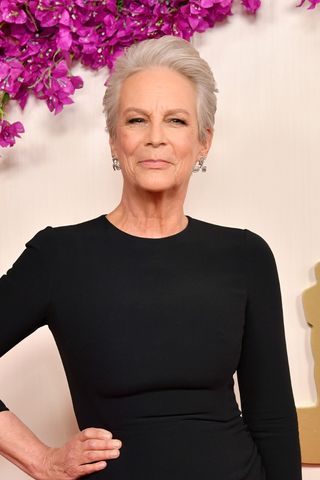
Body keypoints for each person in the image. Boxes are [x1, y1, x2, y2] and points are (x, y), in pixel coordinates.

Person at [0, 35, 301, 480]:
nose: (156, 138)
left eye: (176, 121)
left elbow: (272, 416)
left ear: (203, 142)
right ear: (113, 139)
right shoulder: (58, 257)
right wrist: (40, 459)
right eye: (137, 119)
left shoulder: (245, 256)